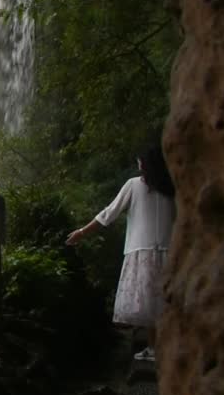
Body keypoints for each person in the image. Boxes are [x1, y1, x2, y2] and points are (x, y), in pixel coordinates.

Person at [66, 144, 176, 361]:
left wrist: (81, 232)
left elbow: (108, 214)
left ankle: (155, 350)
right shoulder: (172, 187)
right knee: (164, 304)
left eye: (139, 160)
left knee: (150, 305)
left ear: (144, 164)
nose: (137, 164)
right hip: (169, 250)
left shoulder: (133, 185)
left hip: (141, 250)